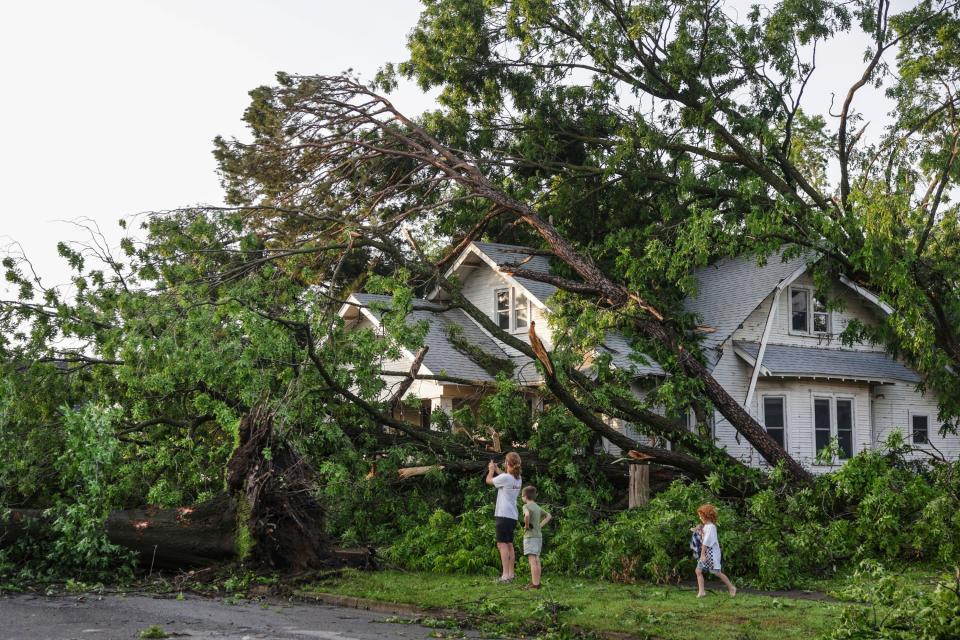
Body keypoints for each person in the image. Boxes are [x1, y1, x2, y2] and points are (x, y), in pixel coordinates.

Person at [485, 452, 522, 583]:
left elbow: (488, 480)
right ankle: (511, 574)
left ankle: (505, 576)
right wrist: (497, 470)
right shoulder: (518, 478)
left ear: (508, 464)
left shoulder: (506, 478)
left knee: (502, 545)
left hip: (503, 515)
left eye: (505, 462)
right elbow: (504, 477)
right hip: (512, 516)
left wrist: (491, 470)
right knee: (509, 544)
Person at [695, 503, 736, 598]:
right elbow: (704, 538)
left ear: (707, 516)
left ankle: (731, 587)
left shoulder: (711, 527)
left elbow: (706, 542)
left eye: (701, 516)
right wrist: (700, 531)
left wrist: (702, 555)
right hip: (706, 552)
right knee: (698, 571)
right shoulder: (706, 526)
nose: (700, 518)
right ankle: (702, 592)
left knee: (716, 572)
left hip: (710, 553)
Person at [521, 485, 552, 589]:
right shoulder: (537, 507)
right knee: (537, 559)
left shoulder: (526, 506)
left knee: (532, 560)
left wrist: (526, 525)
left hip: (530, 537)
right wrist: (540, 525)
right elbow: (549, 516)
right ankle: (537, 582)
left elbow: (526, 515)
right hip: (538, 536)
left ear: (525, 496)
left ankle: (535, 584)